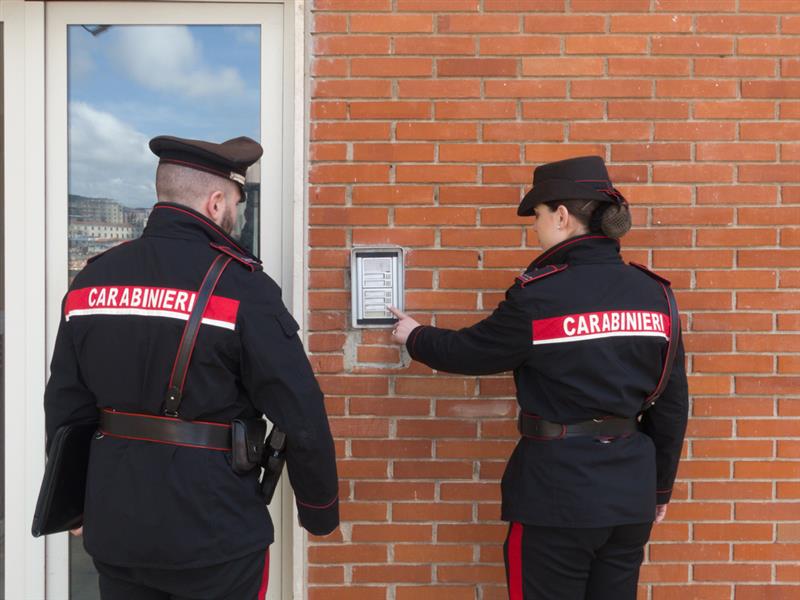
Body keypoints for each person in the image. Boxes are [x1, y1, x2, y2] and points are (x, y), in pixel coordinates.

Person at [44, 135, 339, 600]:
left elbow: (66, 403)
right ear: (216, 201)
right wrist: (319, 509)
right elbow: (299, 410)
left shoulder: (93, 279)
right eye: (238, 203)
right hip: (214, 530)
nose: (238, 216)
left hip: (117, 525)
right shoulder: (243, 287)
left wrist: (73, 502)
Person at [389, 155, 688, 600]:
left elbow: (473, 351)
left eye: (540, 216)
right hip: (630, 496)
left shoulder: (541, 295)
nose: (537, 228)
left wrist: (415, 336)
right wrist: (659, 487)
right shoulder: (655, 295)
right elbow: (672, 403)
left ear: (563, 216)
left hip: (557, 495)